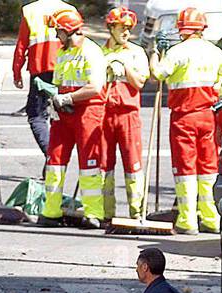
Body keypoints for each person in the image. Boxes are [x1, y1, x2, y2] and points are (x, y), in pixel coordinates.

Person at [150, 6, 222, 235]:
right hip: (208, 115)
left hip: (183, 117)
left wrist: (154, 54)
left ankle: (187, 221)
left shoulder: (176, 52)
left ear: (182, 29)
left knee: (185, 169)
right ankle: (211, 219)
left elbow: (157, 75)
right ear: (202, 28)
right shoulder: (213, 50)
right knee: (208, 167)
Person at [38, 9, 108, 230]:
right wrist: (54, 99)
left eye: (58, 31)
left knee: (89, 163)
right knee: (55, 161)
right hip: (64, 112)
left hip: (88, 111)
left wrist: (68, 97)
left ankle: (93, 213)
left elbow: (95, 87)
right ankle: (51, 211)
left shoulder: (92, 52)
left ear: (68, 31)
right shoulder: (63, 52)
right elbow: (59, 83)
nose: (56, 35)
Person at [99, 7, 149, 222]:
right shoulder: (100, 52)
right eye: (122, 28)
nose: (126, 32)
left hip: (128, 115)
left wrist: (125, 66)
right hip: (103, 114)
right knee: (103, 165)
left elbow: (139, 82)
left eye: (129, 28)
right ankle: (106, 212)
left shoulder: (136, 52)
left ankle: (136, 211)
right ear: (111, 28)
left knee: (133, 165)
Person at [12, 0, 78, 155]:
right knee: (59, 117)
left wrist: (17, 71)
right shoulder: (69, 9)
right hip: (65, 69)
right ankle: (52, 161)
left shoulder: (30, 10)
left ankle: (51, 156)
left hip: (40, 67)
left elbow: (22, 44)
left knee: (37, 116)